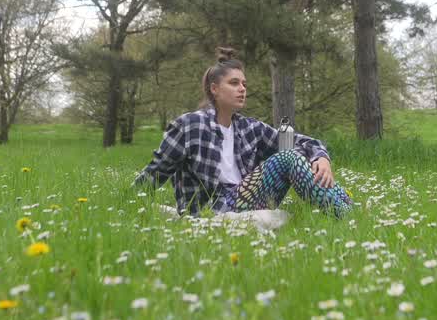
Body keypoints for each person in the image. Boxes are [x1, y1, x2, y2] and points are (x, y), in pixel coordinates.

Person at [133, 47, 354, 218]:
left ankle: (348, 211)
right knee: (288, 157)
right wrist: (128, 202)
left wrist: (321, 157)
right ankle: (344, 215)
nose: (242, 89)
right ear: (214, 89)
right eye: (234, 83)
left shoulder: (249, 128)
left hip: (247, 199)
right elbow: (155, 172)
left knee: (296, 154)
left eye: (244, 84)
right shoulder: (189, 126)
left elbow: (299, 141)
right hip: (213, 208)